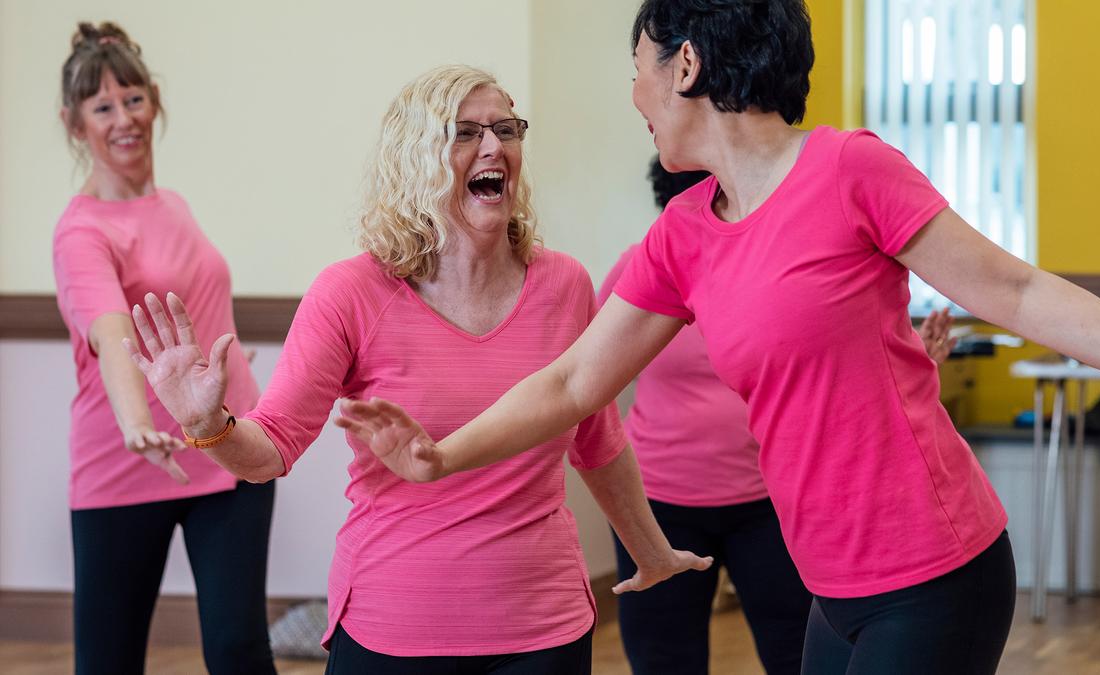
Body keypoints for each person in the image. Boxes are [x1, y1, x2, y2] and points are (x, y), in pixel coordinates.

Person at [332, 2, 1100, 674]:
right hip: (832, 583)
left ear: (687, 64)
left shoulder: (849, 169)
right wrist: (441, 456)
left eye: (636, 70)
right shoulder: (683, 232)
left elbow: (1015, 289)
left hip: (936, 568)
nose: (632, 96)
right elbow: (570, 385)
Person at [125, 65, 709, 674]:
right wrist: (206, 419)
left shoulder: (563, 284)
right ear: (416, 159)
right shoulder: (350, 292)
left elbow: (598, 440)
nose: (494, 147)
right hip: (393, 627)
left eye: (505, 129)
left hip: (544, 625)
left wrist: (652, 553)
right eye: (465, 133)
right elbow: (270, 449)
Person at [599, 157, 956, 675]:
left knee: (797, 654)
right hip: (659, 501)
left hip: (769, 501)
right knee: (663, 660)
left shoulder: (774, 276)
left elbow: (841, 364)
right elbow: (582, 377)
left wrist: (911, 354)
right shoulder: (641, 269)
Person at [51, 22, 274, 675]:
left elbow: (193, 303)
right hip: (125, 466)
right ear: (74, 123)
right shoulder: (81, 232)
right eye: (102, 106)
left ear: (156, 101)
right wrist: (138, 422)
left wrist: (223, 373)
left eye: (134, 98)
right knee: (108, 661)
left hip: (224, 448)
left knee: (239, 649)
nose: (124, 119)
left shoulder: (171, 203)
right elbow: (111, 328)